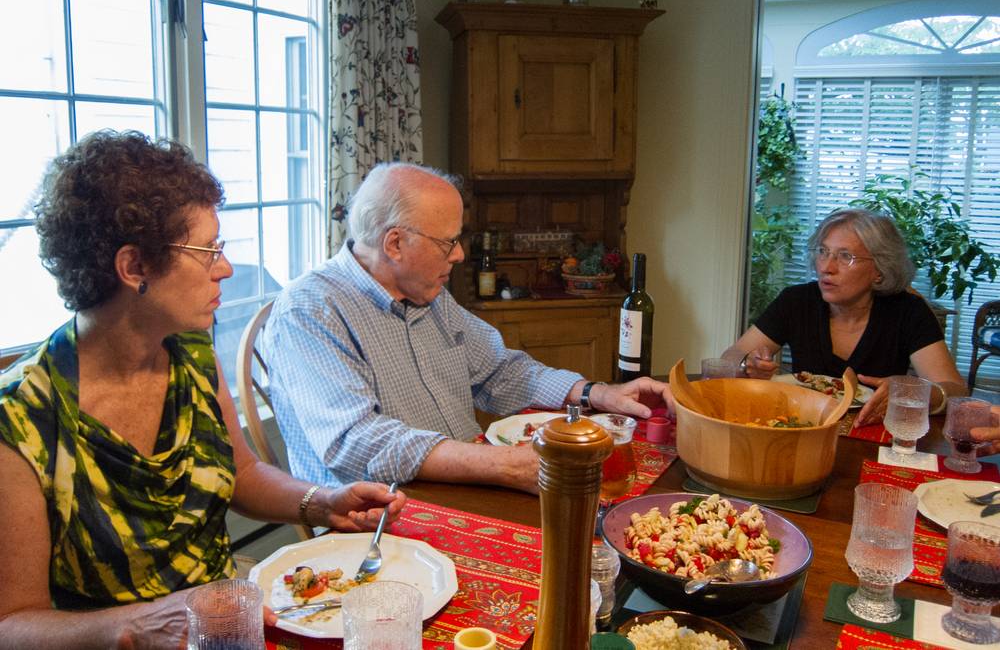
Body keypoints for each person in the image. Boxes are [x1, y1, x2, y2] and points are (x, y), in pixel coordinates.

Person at [0, 131, 406, 649]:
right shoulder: (21, 420)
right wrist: (134, 628)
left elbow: (240, 473)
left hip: (226, 623)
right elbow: (11, 623)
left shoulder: (193, 357)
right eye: (208, 250)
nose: (226, 268)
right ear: (134, 267)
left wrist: (322, 503)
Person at [263, 162, 672, 494]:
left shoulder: (428, 294)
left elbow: (500, 369)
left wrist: (596, 393)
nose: (459, 255)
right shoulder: (310, 311)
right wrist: (505, 466)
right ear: (394, 244)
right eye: (448, 242)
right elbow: (357, 442)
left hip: (469, 481)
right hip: (384, 520)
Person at [722, 208, 966, 426]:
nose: (827, 267)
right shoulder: (796, 301)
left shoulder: (908, 311)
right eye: (823, 252)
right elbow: (731, 356)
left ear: (879, 271)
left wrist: (912, 392)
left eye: (845, 256)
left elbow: (956, 392)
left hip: (874, 436)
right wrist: (747, 365)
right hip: (803, 427)